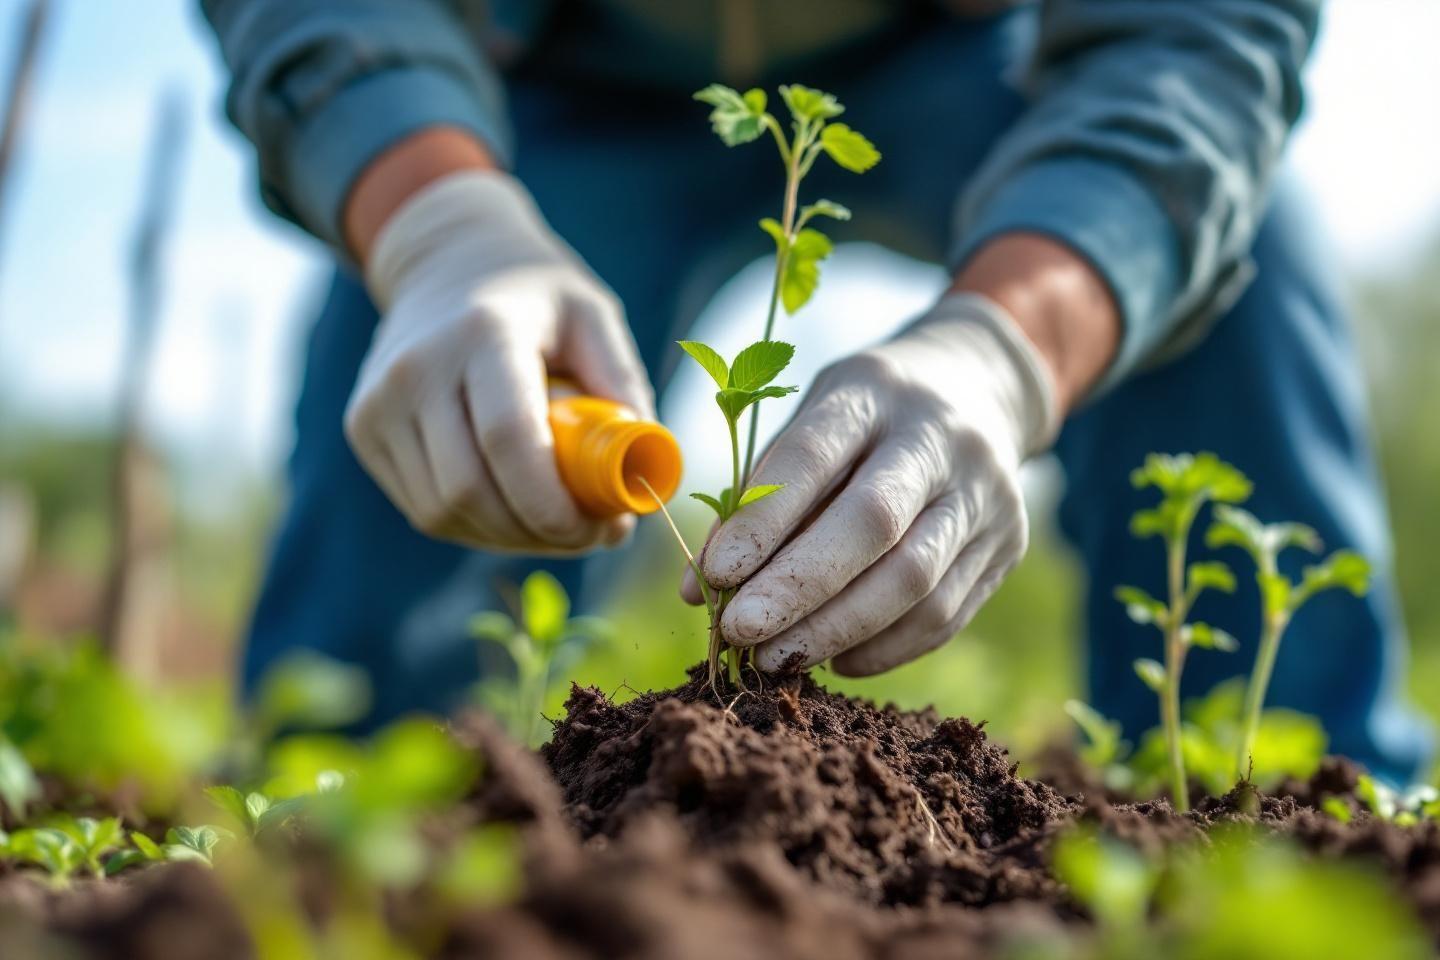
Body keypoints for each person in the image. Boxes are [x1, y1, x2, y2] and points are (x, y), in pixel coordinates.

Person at [201, 0, 1430, 781]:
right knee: (460, 374)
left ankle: (1291, 813)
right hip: (542, 69)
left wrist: (1010, 348)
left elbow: (1194, 39)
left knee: (1228, 266)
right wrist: (432, 219)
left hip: (970, 46)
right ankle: (351, 813)